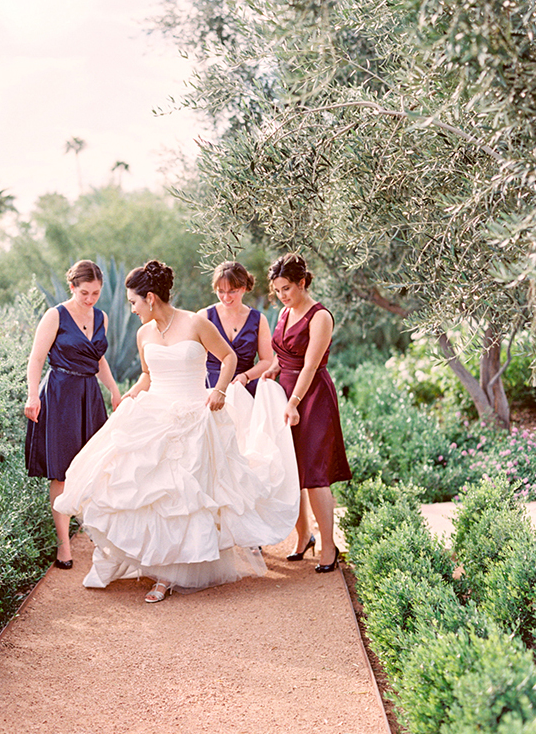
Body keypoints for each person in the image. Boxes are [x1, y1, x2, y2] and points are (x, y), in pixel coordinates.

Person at [54, 259, 300, 602]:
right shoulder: (143, 334)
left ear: (151, 298)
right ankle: (149, 564)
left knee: (179, 497)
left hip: (193, 415)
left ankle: (168, 575)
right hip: (155, 413)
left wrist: (220, 390)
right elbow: (147, 375)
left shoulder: (195, 323)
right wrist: (129, 396)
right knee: (140, 489)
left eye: (134, 302)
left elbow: (228, 358)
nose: (132, 309)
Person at [24, 260, 121, 570]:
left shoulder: (101, 316)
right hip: (60, 394)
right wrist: (31, 395)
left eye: (95, 293)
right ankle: (63, 545)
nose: (90, 299)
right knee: (61, 471)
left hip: (89, 396)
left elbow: (99, 359)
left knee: (97, 466)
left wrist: (114, 390)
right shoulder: (55, 315)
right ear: (72, 287)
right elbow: (37, 358)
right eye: (84, 293)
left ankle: (95, 533)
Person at [264, 253, 352, 573]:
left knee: (315, 476)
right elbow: (283, 352)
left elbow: (310, 364)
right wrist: (271, 370)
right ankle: (303, 538)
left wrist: (294, 402)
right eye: (277, 290)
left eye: (287, 288)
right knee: (291, 472)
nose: (282, 295)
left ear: (302, 283)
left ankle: (329, 547)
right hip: (284, 392)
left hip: (312, 396)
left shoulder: (320, 317)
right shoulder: (284, 313)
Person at [197, 260, 274, 396]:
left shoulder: (259, 319)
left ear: (243, 288)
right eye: (221, 291)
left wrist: (246, 376)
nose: (226, 297)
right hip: (210, 388)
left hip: (246, 390)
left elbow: (267, 361)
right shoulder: (204, 316)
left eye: (232, 291)